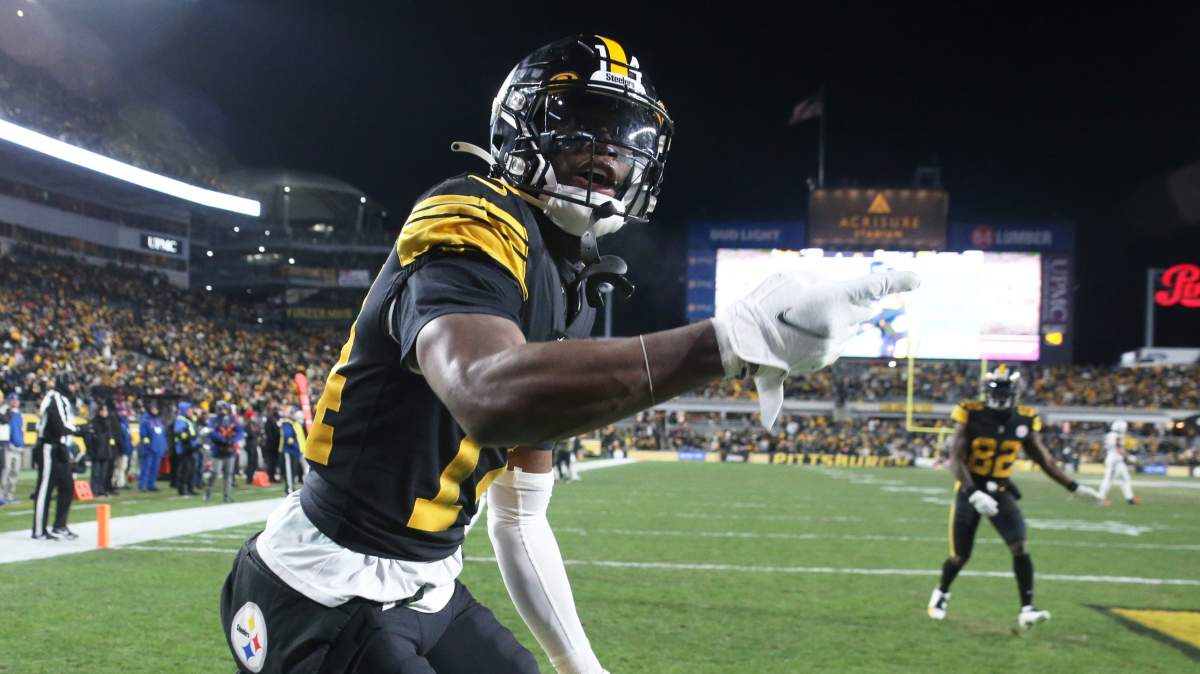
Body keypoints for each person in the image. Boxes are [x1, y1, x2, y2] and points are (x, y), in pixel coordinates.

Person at [220, 34, 918, 674]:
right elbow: (486, 392)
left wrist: (582, 666)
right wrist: (730, 341)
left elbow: (520, 516)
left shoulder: (569, 288)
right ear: (523, 127)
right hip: (321, 589)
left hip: (429, 586)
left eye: (627, 138)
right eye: (585, 124)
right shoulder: (474, 213)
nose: (608, 152)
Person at [928, 365, 1104, 629]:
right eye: (995, 391)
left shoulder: (1024, 419)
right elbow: (955, 459)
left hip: (1000, 490)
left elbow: (1044, 460)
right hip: (970, 488)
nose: (999, 396)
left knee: (1020, 547)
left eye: (1004, 391)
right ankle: (941, 593)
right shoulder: (971, 413)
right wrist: (973, 493)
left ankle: (1027, 609)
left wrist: (1073, 487)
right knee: (960, 556)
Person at [33, 373, 84, 540]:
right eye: (71, 384)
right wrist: (79, 430)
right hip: (49, 447)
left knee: (68, 486)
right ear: (64, 384)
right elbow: (59, 426)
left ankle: (59, 526)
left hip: (59, 448)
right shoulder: (54, 398)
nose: (73, 387)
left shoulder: (62, 399)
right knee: (45, 489)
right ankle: (39, 530)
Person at [207, 401, 244, 503]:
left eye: (225, 408)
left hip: (229, 450)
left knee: (228, 474)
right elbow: (211, 432)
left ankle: (227, 496)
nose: (223, 411)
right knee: (215, 472)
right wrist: (222, 439)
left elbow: (240, 431)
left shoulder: (232, 419)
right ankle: (209, 490)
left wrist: (233, 439)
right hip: (218, 451)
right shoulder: (213, 420)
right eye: (221, 409)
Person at [1099, 419, 1139, 505]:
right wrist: (1129, 457)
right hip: (1114, 460)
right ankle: (1099, 498)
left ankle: (1130, 499)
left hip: (1117, 460)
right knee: (1108, 480)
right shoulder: (1116, 436)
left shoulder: (1110, 435)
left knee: (1126, 478)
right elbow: (1119, 448)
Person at [87, 402, 119, 498]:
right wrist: (91, 450)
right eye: (103, 410)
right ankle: (94, 490)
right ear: (99, 411)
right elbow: (91, 439)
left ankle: (101, 490)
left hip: (106, 451)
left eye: (106, 410)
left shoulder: (109, 422)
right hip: (97, 451)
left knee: (103, 473)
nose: (105, 412)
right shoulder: (94, 422)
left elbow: (111, 437)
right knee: (96, 473)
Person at [137, 402, 167, 491]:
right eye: (153, 409)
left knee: (155, 467)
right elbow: (143, 435)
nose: (155, 411)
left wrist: (164, 445)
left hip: (159, 448)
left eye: (156, 409)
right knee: (146, 467)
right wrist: (147, 445)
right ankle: (142, 485)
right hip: (149, 449)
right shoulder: (145, 421)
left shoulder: (159, 420)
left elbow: (162, 434)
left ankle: (151, 484)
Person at [1, 392, 24, 505]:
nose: (15, 402)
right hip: (8, 446)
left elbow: (20, 431)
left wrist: (22, 444)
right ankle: (2, 496)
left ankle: (10, 495)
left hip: (18, 447)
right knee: (6, 471)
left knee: (15, 472)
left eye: (16, 400)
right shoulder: (6, 411)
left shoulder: (19, 414)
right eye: (12, 400)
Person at [173, 402, 200, 497]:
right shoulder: (181, 420)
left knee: (192, 469)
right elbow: (179, 433)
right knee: (186, 469)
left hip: (191, 448)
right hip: (184, 448)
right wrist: (188, 436)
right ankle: (182, 489)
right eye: (189, 410)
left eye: (191, 410)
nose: (191, 412)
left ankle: (190, 488)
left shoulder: (189, 420)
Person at [277, 408, 305, 495]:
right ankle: (289, 489)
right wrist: (296, 446)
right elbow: (288, 438)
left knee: (293, 470)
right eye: (293, 413)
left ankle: (291, 487)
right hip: (289, 451)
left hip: (297, 451)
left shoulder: (295, 424)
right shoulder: (287, 424)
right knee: (289, 471)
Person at [261, 405, 281, 483]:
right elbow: (270, 434)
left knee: (273, 462)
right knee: (272, 462)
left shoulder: (274, 420)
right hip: (272, 445)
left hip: (274, 445)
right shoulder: (270, 420)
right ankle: (271, 477)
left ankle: (272, 476)